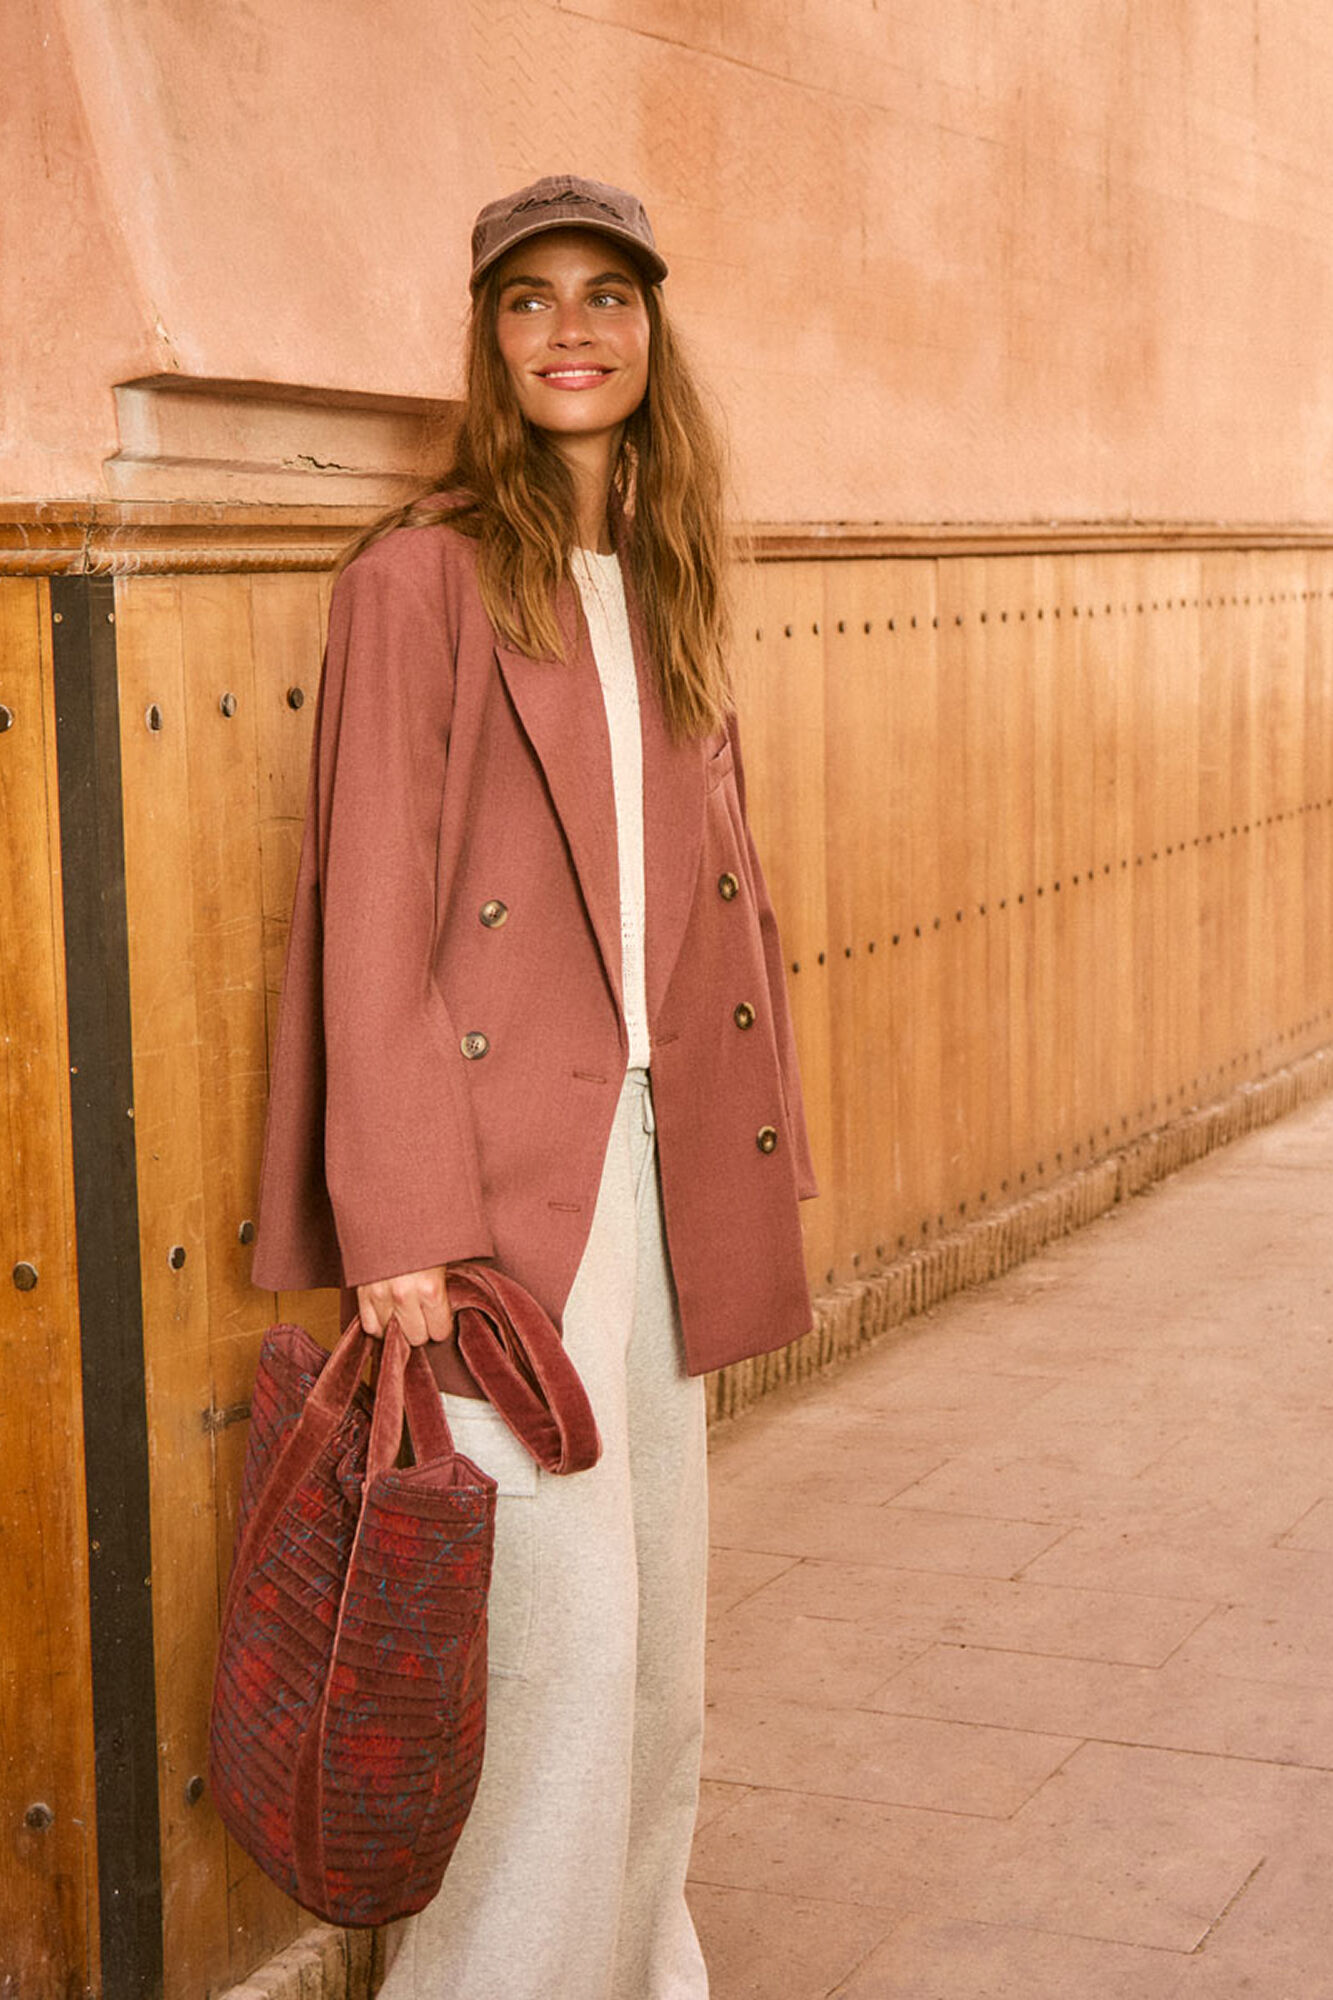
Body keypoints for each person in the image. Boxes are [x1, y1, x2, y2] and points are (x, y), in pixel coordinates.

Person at [250, 174, 816, 2000]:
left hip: (657, 1175)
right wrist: (399, 1225)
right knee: (553, 1646)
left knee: (656, 1642)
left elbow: (718, 897)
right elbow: (371, 918)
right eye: (526, 301)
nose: (571, 328)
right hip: (502, 1192)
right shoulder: (419, 578)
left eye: (608, 296)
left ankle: (640, 1968)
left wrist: (754, 1161)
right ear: (488, 342)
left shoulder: (666, 575)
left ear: (654, 333)